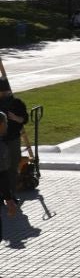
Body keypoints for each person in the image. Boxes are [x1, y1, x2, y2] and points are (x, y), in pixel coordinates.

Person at [0, 79, 29, 218]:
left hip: (12, 140)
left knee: (11, 168)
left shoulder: (16, 103)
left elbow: (24, 119)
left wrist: (15, 118)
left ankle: (10, 195)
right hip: (1, 140)